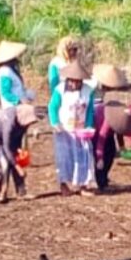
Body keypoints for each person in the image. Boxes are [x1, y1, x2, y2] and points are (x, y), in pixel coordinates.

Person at [49, 62, 96, 197]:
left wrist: (89, 125)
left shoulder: (88, 91)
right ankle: (64, 185)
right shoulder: (59, 90)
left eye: (78, 82)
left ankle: (83, 185)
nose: (75, 84)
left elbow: (90, 111)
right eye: (72, 81)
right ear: (68, 80)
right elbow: (52, 107)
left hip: (81, 130)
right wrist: (55, 123)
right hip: (64, 131)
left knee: (84, 157)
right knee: (65, 158)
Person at [91, 64, 131, 191]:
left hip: (108, 131)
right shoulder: (107, 119)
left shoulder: (118, 115)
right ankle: (100, 182)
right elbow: (100, 140)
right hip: (97, 132)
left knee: (111, 153)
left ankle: (104, 177)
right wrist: (99, 158)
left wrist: (122, 147)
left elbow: (120, 132)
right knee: (102, 157)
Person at [0, 104, 40, 203]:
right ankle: (0, 192)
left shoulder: (23, 122)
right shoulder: (9, 122)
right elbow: (7, 147)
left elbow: (16, 144)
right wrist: (18, 167)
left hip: (7, 138)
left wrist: (19, 156)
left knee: (17, 158)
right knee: (2, 163)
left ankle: (21, 192)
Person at [0, 41, 34, 109]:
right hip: (11, 108)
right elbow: (5, 93)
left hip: (16, 107)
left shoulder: (9, 70)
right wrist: (19, 100)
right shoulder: (5, 72)